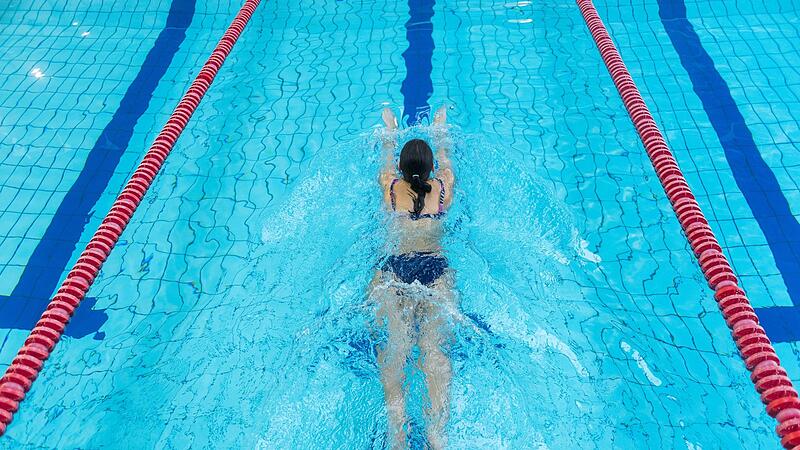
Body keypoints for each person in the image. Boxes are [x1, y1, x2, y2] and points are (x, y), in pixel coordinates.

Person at [371, 105, 455, 450]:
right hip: (434, 272)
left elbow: (385, 159)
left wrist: (390, 129)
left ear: (402, 172)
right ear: (430, 170)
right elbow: (446, 160)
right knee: (434, 351)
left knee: (397, 348)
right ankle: (436, 433)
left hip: (396, 269)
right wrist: (439, 128)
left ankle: (398, 433)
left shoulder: (391, 188)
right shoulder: (443, 188)